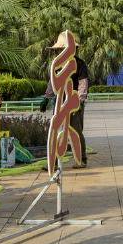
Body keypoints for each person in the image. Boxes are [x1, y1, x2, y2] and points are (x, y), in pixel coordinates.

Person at [47, 30, 93, 166]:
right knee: (55, 131)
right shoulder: (56, 64)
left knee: (75, 130)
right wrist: (47, 97)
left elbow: (83, 84)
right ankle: (53, 162)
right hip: (59, 103)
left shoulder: (79, 64)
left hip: (74, 102)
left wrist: (79, 101)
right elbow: (52, 82)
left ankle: (81, 159)